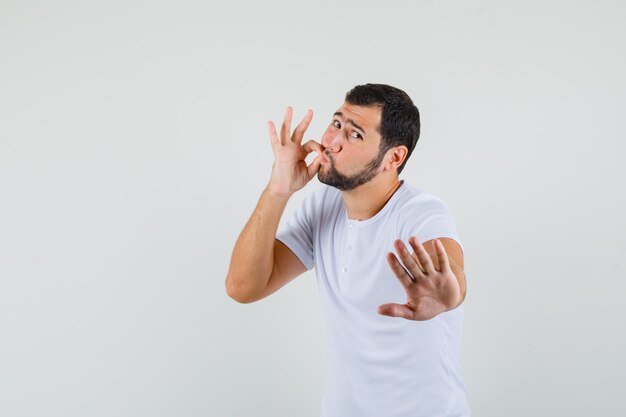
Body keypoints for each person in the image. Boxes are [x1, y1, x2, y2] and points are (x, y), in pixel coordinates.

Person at [225, 83, 470, 417]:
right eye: (337, 124)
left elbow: (450, 272)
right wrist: (278, 189)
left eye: (355, 135)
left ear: (394, 157)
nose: (333, 141)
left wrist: (447, 296)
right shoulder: (325, 204)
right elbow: (243, 287)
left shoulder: (421, 212)